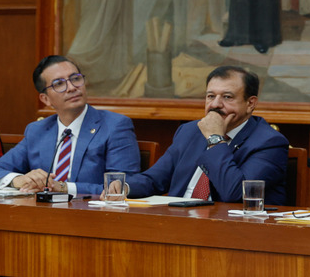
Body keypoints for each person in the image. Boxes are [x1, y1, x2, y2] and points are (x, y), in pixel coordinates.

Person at [121, 66, 289, 203]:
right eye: (210, 96)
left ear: (250, 104)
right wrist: (124, 187)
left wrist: (215, 139)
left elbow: (235, 193)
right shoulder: (190, 131)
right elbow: (154, 180)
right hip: (177, 221)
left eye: (227, 97)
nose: (215, 104)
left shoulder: (269, 142)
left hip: (230, 231)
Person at [0, 55, 140, 195]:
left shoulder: (115, 126)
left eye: (76, 79)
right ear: (46, 99)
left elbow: (121, 187)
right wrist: (18, 180)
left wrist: (63, 188)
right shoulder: (37, 131)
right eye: (59, 84)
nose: (71, 88)